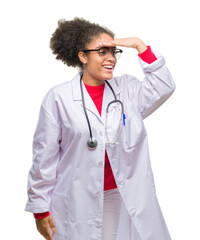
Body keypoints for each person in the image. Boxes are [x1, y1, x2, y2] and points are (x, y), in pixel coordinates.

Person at [25, 17, 175, 240]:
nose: (111, 59)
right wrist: (40, 207)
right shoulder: (59, 98)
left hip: (122, 196)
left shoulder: (127, 89)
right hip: (78, 200)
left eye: (113, 52)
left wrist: (140, 46)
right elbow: (44, 156)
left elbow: (164, 86)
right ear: (83, 56)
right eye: (102, 51)